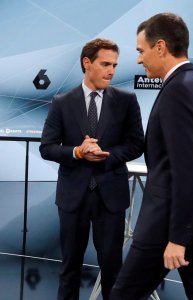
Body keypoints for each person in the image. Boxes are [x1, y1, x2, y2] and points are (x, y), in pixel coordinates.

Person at [110, 12, 193, 300]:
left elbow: (186, 170)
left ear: (161, 47)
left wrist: (178, 238)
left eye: (141, 51)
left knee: (122, 296)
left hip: (168, 224)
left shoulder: (179, 91)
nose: (139, 60)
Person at [39, 38, 144, 300]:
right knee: (69, 269)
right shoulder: (62, 102)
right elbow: (47, 147)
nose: (111, 70)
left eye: (115, 65)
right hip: (73, 197)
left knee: (113, 271)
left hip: (111, 197)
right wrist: (77, 152)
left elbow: (136, 144)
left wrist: (106, 157)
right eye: (105, 64)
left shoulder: (127, 101)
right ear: (87, 63)